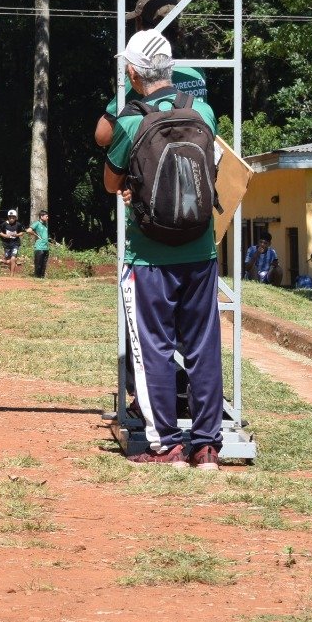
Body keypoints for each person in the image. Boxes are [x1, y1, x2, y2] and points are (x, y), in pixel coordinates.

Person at [104, 28, 223, 470]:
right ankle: (207, 445)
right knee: (203, 345)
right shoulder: (204, 112)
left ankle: (168, 444)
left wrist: (134, 188)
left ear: (134, 73)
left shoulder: (130, 121)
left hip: (149, 255)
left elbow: (111, 182)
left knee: (152, 346)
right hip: (201, 248)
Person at [94, 0, 207, 151]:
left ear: (140, 23)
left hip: (156, 163)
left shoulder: (141, 75)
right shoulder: (196, 71)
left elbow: (103, 135)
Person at [0, 210, 23, 276]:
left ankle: (11, 275)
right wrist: (5, 236)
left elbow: (21, 232)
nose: (11, 219)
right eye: (10, 217)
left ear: (15, 217)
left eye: (13, 217)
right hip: (6, 244)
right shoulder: (4, 224)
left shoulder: (18, 224)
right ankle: (10, 266)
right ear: (8, 217)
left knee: (13, 258)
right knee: (8, 261)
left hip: (15, 243)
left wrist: (17, 235)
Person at [30, 209, 51, 279]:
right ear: (41, 216)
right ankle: (36, 278)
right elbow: (29, 230)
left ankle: (42, 278)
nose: (47, 218)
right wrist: (36, 235)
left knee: (44, 264)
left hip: (46, 247)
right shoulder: (37, 223)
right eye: (46, 216)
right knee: (38, 264)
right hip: (39, 247)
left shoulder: (45, 225)